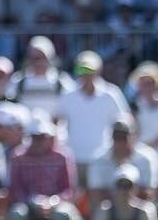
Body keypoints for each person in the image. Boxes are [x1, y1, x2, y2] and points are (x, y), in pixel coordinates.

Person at [5, 113, 80, 220]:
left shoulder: (62, 156)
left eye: (42, 137)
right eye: (35, 137)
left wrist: (52, 202)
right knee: (17, 213)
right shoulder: (18, 156)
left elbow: (69, 190)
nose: (38, 141)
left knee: (62, 214)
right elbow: (15, 190)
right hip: (29, 206)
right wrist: (33, 202)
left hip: (56, 205)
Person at [55, 50, 130, 191]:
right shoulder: (68, 95)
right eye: (82, 70)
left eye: (89, 70)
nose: (86, 74)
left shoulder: (111, 94)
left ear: (98, 71)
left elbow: (125, 121)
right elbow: (56, 120)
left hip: (103, 159)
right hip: (74, 157)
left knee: (99, 195)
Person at [87, 117, 158, 206]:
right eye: (116, 137)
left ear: (133, 136)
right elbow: (95, 195)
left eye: (124, 137)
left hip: (140, 209)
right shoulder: (98, 159)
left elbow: (150, 193)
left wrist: (124, 195)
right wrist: (123, 194)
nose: (120, 142)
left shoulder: (148, 158)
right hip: (109, 209)